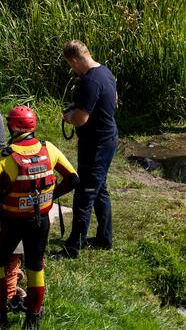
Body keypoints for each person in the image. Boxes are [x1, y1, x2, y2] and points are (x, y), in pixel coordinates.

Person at [0, 106, 78, 328]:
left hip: (12, 222)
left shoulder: (5, 156)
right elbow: (73, 178)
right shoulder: (48, 148)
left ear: (13, 126)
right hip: (40, 220)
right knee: (35, 266)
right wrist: (51, 195)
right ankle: (33, 318)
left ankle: (0, 316)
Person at [57, 40, 117, 258]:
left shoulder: (89, 82)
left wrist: (68, 116)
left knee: (85, 194)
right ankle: (104, 238)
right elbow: (112, 101)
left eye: (70, 65)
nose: (72, 69)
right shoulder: (105, 72)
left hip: (96, 143)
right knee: (100, 188)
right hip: (108, 137)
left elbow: (81, 119)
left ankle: (73, 247)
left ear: (74, 60)